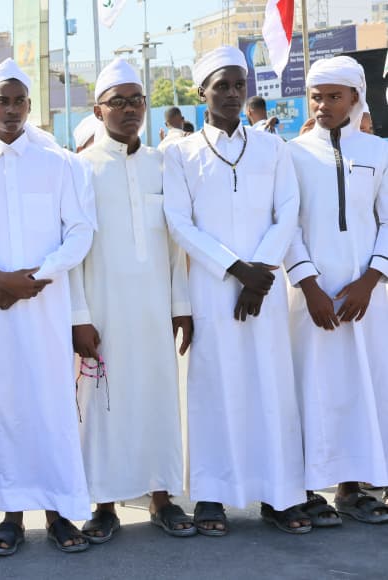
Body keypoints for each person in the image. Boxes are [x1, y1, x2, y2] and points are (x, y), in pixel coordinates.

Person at [162, 46, 309, 536]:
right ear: (201, 92)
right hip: (212, 286)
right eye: (220, 86)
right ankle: (211, 495)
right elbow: (179, 223)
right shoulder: (179, 153)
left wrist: (261, 270)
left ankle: (279, 494)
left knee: (270, 385)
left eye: (238, 85)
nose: (230, 94)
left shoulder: (272, 147)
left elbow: (287, 212)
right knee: (213, 386)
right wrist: (236, 269)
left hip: (264, 288)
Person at [0, 58, 93, 555]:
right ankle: (10, 515)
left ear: (30, 106)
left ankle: (59, 512)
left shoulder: (59, 164)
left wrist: (35, 278)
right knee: (4, 408)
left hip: (46, 306)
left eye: (20, 101)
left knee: (51, 405)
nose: (11, 109)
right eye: (3, 101)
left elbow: (79, 231)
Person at [72, 58, 194, 543]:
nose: (129, 110)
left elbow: (176, 244)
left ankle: (162, 497)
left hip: (154, 309)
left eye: (136, 101)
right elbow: (74, 253)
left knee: (159, 399)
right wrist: (79, 317)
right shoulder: (80, 169)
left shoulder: (163, 164)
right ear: (98, 110)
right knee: (105, 405)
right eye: (117, 102)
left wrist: (181, 306)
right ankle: (104, 503)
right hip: (102, 308)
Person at [285, 56, 388, 526]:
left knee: (363, 388)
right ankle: (305, 489)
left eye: (334, 96)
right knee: (310, 387)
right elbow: (287, 225)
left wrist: (370, 280)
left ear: (355, 98)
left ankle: (352, 487)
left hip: (369, 298)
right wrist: (309, 285)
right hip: (310, 298)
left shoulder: (379, 152)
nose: (324, 105)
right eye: (316, 97)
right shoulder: (292, 153)